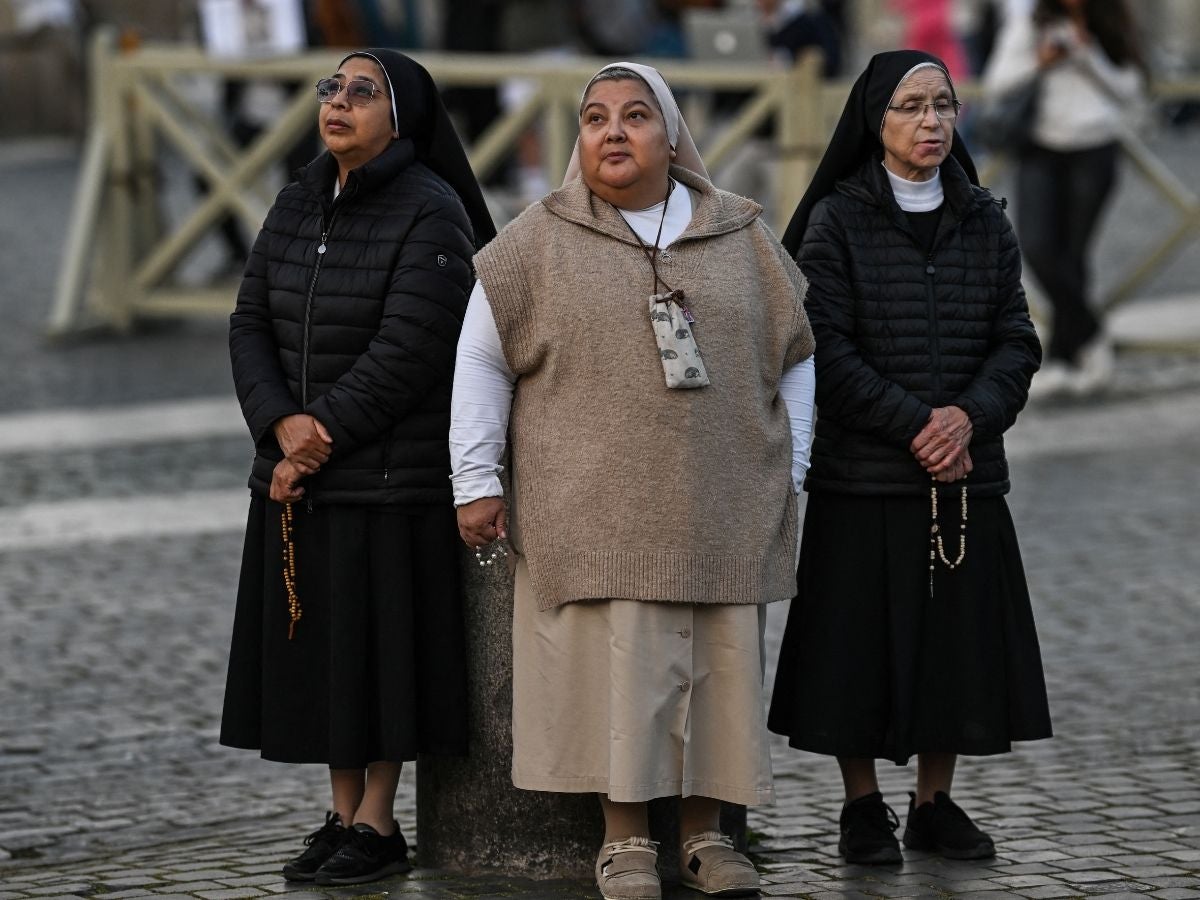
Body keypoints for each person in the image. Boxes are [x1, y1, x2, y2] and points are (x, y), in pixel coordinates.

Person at [450, 62, 816, 900]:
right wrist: (474, 476)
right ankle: (625, 842)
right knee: (622, 678)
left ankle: (705, 836)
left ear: (673, 133)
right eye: (595, 118)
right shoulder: (537, 241)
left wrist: (791, 466)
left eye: (636, 115)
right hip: (593, 508)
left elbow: (798, 354)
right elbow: (481, 359)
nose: (614, 131)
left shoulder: (741, 236)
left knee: (718, 675)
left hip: (723, 504)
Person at [769, 49, 1053, 866]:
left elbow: (1017, 340)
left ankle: (935, 803)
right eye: (911, 107)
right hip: (865, 473)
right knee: (854, 645)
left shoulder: (983, 217)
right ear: (874, 120)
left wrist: (967, 419)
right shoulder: (838, 220)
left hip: (965, 474)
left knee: (953, 647)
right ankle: (862, 807)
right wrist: (914, 424)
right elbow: (824, 345)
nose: (931, 122)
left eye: (944, 105)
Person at [221, 48, 495, 886]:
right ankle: (342, 815)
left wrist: (316, 435)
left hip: (386, 476)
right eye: (330, 88)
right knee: (326, 659)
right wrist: (276, 423)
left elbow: (412, 346)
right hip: (302, 474)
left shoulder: (432, 210)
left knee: (380, 657)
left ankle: (379, 822)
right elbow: (248, 323)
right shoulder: (300, 197)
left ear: (401, 115)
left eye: (361, 93)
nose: (337, 102)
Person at [983, 0, 1147, 397]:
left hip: (1095, 147)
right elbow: (996, 81)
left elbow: (1130, 88)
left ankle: (1062, 359)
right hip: (1041, 147)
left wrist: (1087, 54)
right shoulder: (1031, 23)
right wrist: (1041, 60)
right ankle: (1092, 338)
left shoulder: (1109, 19)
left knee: (1072, 257)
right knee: (1038, 250)